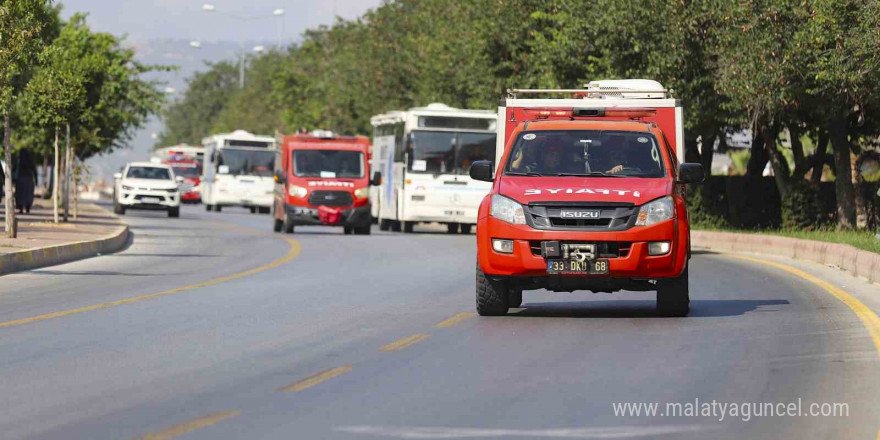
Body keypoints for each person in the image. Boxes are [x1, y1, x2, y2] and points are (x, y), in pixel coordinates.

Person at [15, 149, 37, 214]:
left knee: (20, 195)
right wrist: (36, 180)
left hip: (20, 180)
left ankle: (21, 208)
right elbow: (34, 171)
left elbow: (14, 170)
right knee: (28, 195)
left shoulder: (19, 161)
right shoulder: (30, 161)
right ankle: (28, 208)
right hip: (29, 180)